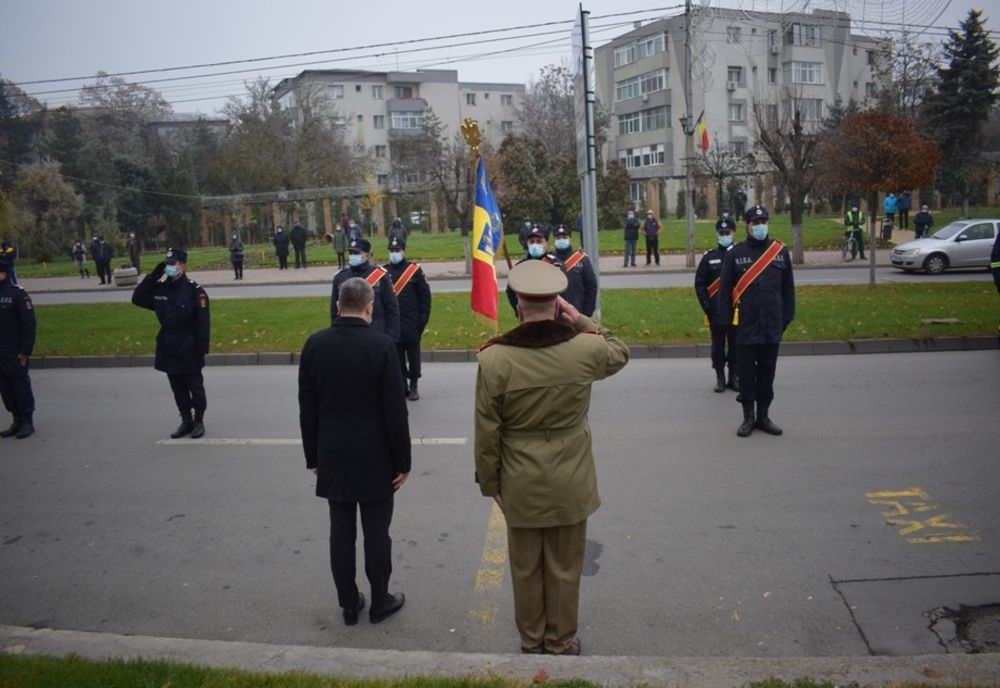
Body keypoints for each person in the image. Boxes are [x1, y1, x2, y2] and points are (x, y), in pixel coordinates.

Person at [474, 260, 629, 655]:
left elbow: (487, 432)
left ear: (519, 307)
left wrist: (491, 484)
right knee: (565, 566)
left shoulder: (494, 360)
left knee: (526, 568)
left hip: (520, 479)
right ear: (558, 305)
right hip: (570, 478)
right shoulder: (586, 349)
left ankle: (532, 641)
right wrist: (581, 320)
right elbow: (619, 351)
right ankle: (560, 642)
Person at [299, 276, 410, 626]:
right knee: (377, 534)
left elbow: (308, 408)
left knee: (341, 533)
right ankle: (380, 600)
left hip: (333, 454)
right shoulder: (382, 346)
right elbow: (396, 411)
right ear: (370, 307)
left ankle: (348, 602)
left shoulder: (315, 345)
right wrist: (403, 462)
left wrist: (313, 456)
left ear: (338, 305)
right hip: (376, 457)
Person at [717, 205, 795, 438]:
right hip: (745, 326)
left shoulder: (780, 252)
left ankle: (763, 416)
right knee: (746, 375)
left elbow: (788, 289)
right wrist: (727, 324)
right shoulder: (735, 254)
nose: (760, 226)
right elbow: (724, 292)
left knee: (767, 374)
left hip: (771, 325)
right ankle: (748, 417)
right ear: (748, 226)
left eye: (763, 222)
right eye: (755, 223)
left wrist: (785, 319)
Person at [131, 248, 211, 439]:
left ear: (182, 265)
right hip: (168, 346)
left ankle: (198, 421)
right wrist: (152, 277)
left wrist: (201, 350)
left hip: (189, 346)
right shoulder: (161, 288)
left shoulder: (194, 291)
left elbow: (203, 324)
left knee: (195, 388)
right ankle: (186, 420)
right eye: (166, 264)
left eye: (172, 264)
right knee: (178, 389)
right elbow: (138, 299)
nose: (169, 268)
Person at [384, 237, 431, 401]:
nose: (394, 253)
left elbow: (425, 296)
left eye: (397, 250)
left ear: (404, 251)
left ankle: (414, 385)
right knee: (397, 358)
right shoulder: (384, 272)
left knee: (413, 357)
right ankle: (402, 384)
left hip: (412, 322)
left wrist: (423, 319)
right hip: (393, 324)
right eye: (391, 251)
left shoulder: (414, 271)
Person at [695, 223, 737, 393]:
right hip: (717, 311)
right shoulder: (709, 258)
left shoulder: (740, 255)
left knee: (736, 345)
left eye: (727, 232)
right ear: (717, 234)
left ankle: (733, 377)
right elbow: (700, 284)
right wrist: (707, 306)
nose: (724, 235)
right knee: (718, 347)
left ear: (734, 233)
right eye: (722, 232)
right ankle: (720, 378)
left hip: (736, 311)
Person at [331, 238, 400, 339]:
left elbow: (392, 308)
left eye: (356, 253)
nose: (352, 256)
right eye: (350, 253)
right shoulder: (340, 277)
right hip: (347, 336)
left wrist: (392, 338)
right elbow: (335, 312)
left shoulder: (380, 276)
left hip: (376, 335)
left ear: (367, 255)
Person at [0, 255, 36, 439]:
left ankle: (27, 421)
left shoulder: (17, 294)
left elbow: (29, 324)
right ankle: (16, 419)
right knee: (5, 388)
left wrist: (25, 351)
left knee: (19, 385)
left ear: (3, 274)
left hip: (14, 351)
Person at [506, 226, 563, 313]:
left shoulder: (555, 264)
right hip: (528, 314)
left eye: (539, 241)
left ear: (547, 244)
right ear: (527, 244)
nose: (535, 245)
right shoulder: (520, 266)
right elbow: (511, 292)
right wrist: (519, 312)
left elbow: (563, 292)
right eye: (531, 241)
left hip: (551, 314)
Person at [551, 225, 597, 317]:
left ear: (570, 239)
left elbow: (591, 287)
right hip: (554, 314)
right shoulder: (549, 260)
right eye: (558, 237)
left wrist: (587, 313)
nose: (561, 240)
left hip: (578, 312)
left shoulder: (581, 259)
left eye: (564, 237)